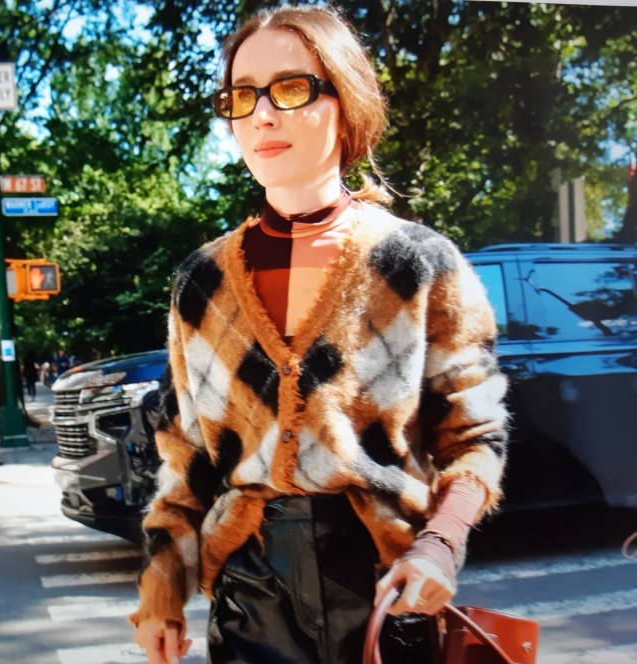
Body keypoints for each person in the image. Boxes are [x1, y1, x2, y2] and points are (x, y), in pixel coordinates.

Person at [130, 6, 509, 664]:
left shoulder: (418, 265)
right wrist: (162, 588)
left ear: (345, 101)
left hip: (387, 594)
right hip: (250, 598)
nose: (261, 115)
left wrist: (439, 543)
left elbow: (476, 438)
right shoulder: (201, 282)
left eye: (290, 88)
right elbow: (185, 459)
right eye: (241, 96)